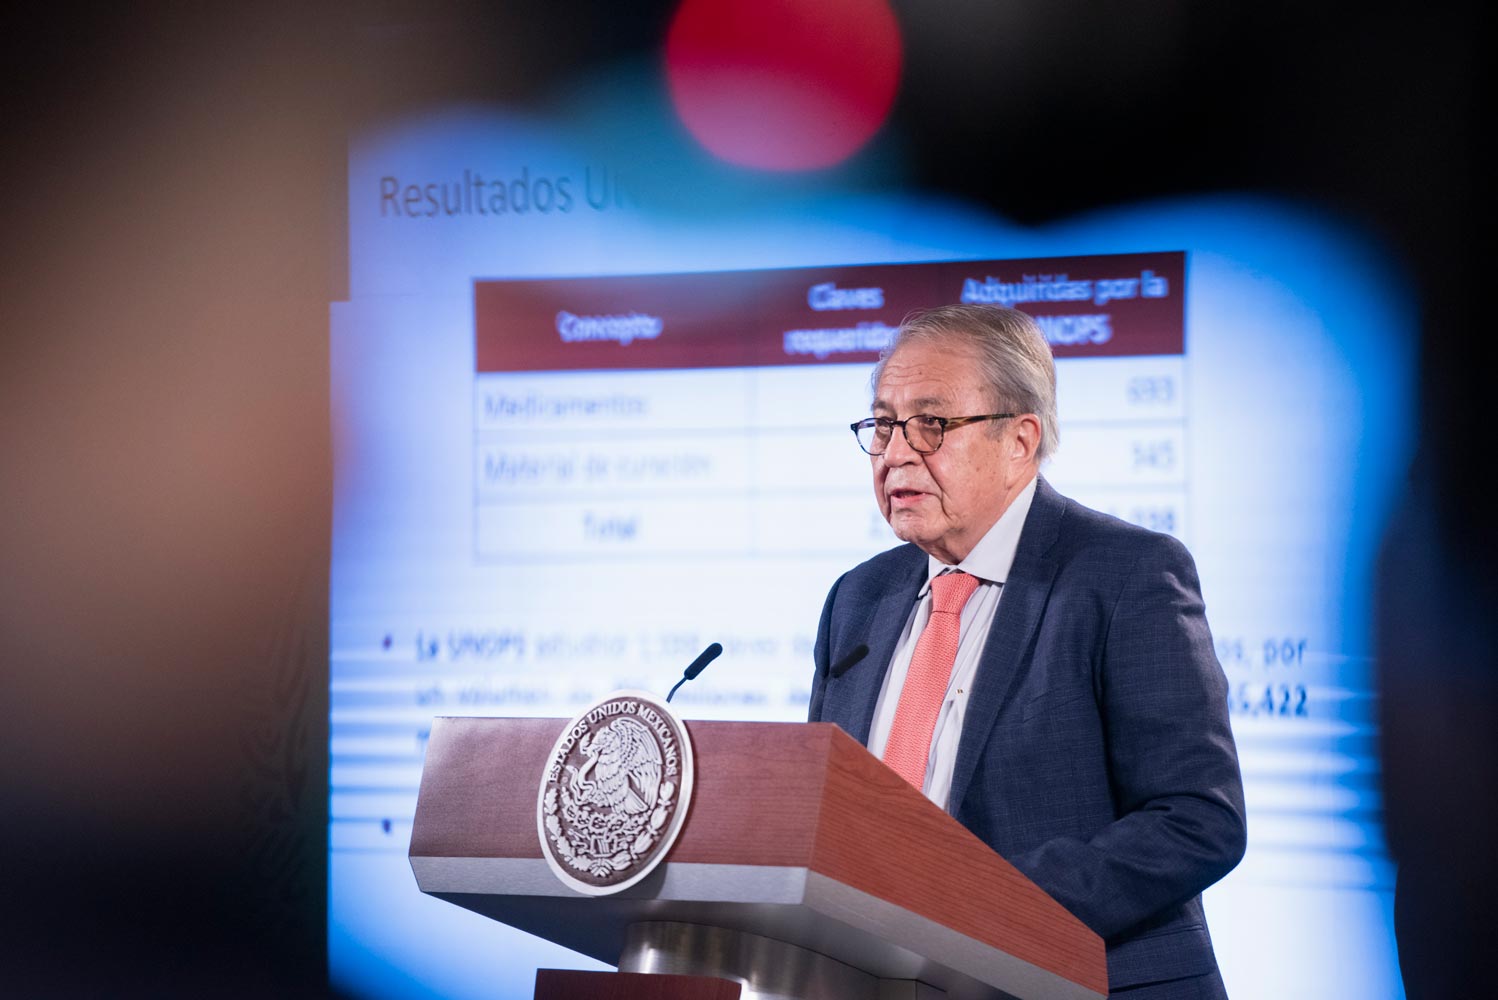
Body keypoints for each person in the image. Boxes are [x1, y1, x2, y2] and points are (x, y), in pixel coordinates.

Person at [808, 304, 1246, 999]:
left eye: (931, 423)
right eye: (884, 425)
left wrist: (978, 905)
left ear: (1020, 439)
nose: (895, 454)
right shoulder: (857, 598)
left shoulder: (1125, 575)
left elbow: (1198, 818)